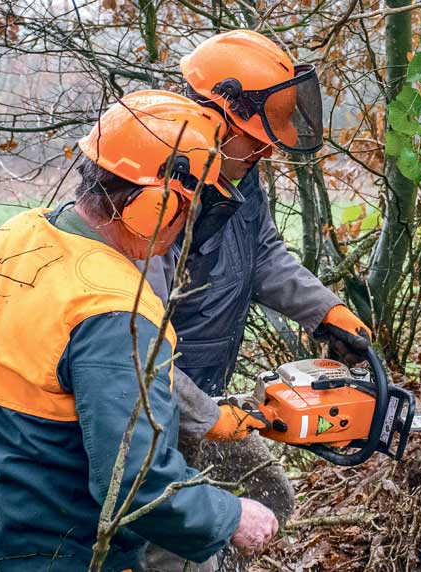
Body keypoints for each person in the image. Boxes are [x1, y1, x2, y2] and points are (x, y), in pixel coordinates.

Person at [0, 90, 279, 571]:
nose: (189, 223)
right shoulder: (112, 310)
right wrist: (230, 514)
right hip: (70, 551)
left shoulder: (18, 237)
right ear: (155, 205)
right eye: (188, 208)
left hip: (1, 533)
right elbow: (135, 483)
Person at [138, 30, 374, 571]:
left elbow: (262, 253)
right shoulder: (152, 191)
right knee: (173, 550)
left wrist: (324, 310)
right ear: (213, 118)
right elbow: (137, 350)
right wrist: (202, 415)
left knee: (269, 493)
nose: (266, 149)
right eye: (253, 136)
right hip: (156, 407)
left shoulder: (240, 174)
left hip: (206, 391)